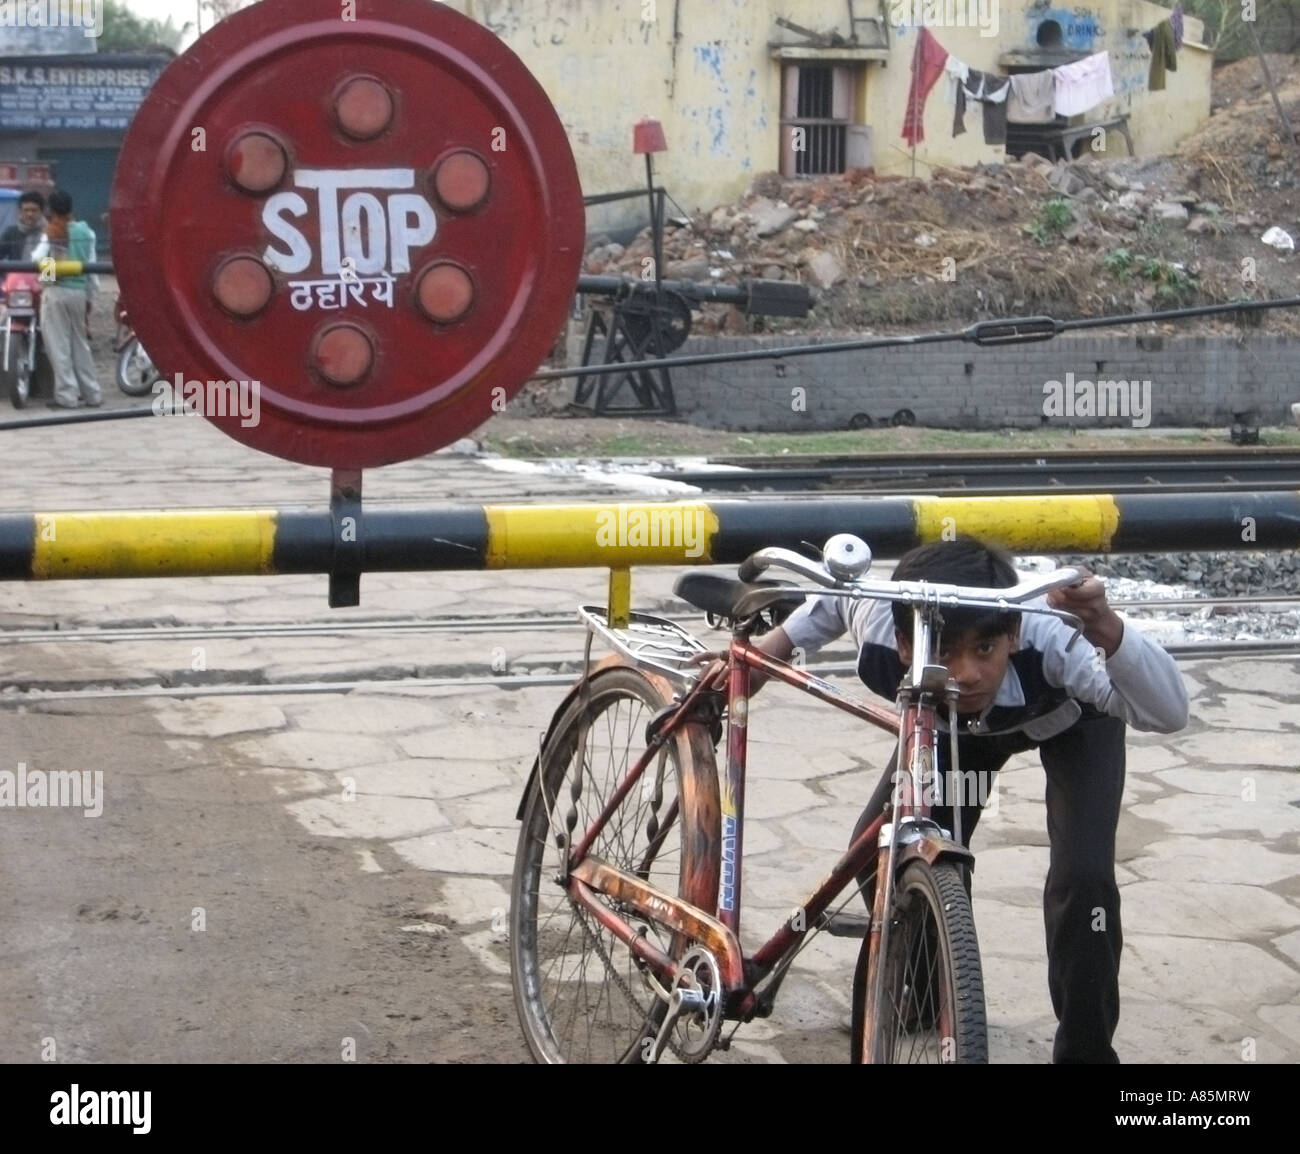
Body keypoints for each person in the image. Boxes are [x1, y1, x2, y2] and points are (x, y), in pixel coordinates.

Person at [748, 537, 1189, 1063]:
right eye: (945, 652)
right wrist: (749, 668)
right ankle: (934, 990)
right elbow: (830, 604)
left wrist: (1106, 626)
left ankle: (1086, 1050)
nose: (966, 673)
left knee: (1084, 881)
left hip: (1073, 723)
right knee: (877, 856)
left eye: (984, 648)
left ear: (1013, 632)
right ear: (905, 645)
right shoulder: (880, 621)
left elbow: (1168, 713)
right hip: (957, 733)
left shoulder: (1055, 636)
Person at [32, 188, 101, 409]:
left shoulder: (50, 232)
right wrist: (90, 296)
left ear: (50, 210)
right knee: (80, 345)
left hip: (55, 292)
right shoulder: (87, 232)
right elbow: (92, 269)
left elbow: (36, 258)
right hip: (78, 293)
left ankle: (67, 396)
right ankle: (93, 394)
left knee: (58, 346)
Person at [0, 190, 47, 262]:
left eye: (34, 210)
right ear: (20, 211)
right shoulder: (12, 232)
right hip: (16, 272)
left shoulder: (48, 232)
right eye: (26, 210)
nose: (29, 214)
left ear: (42, 211)